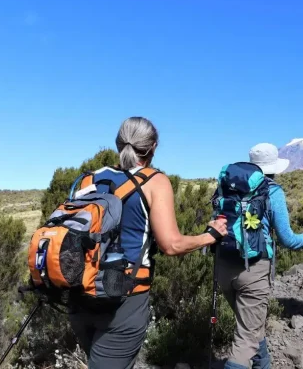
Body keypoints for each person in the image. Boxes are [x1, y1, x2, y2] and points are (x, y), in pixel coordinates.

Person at [67, 117, 229, 369]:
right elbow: (171, 244)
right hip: (124, 299)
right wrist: (210, 236)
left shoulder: (89, 179)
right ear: (153, 147)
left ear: (118, 143)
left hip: (80, 293)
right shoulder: (154, 181)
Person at [218, 142, 303, 369]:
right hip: (254, 269)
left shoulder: (227, 186)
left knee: (251, 327)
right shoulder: (273, 191)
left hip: (223, 266)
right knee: (245, 339)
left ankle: (263, 365)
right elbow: (288, 239)